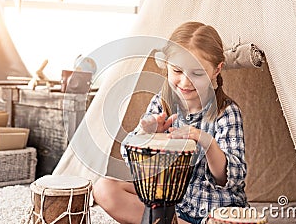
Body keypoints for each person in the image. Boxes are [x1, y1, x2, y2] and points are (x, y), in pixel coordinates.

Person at [93, 22, 248, 224]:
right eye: (177, 71)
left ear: (216, 70)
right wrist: (145, 133)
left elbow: (231, 178)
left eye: (197, 73)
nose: (185, 82)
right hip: (175, 207)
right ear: (166, 64)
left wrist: (206, 141)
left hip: (216, 208)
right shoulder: (162, 103)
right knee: (104, 188)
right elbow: (131, 159)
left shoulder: (226, 113)